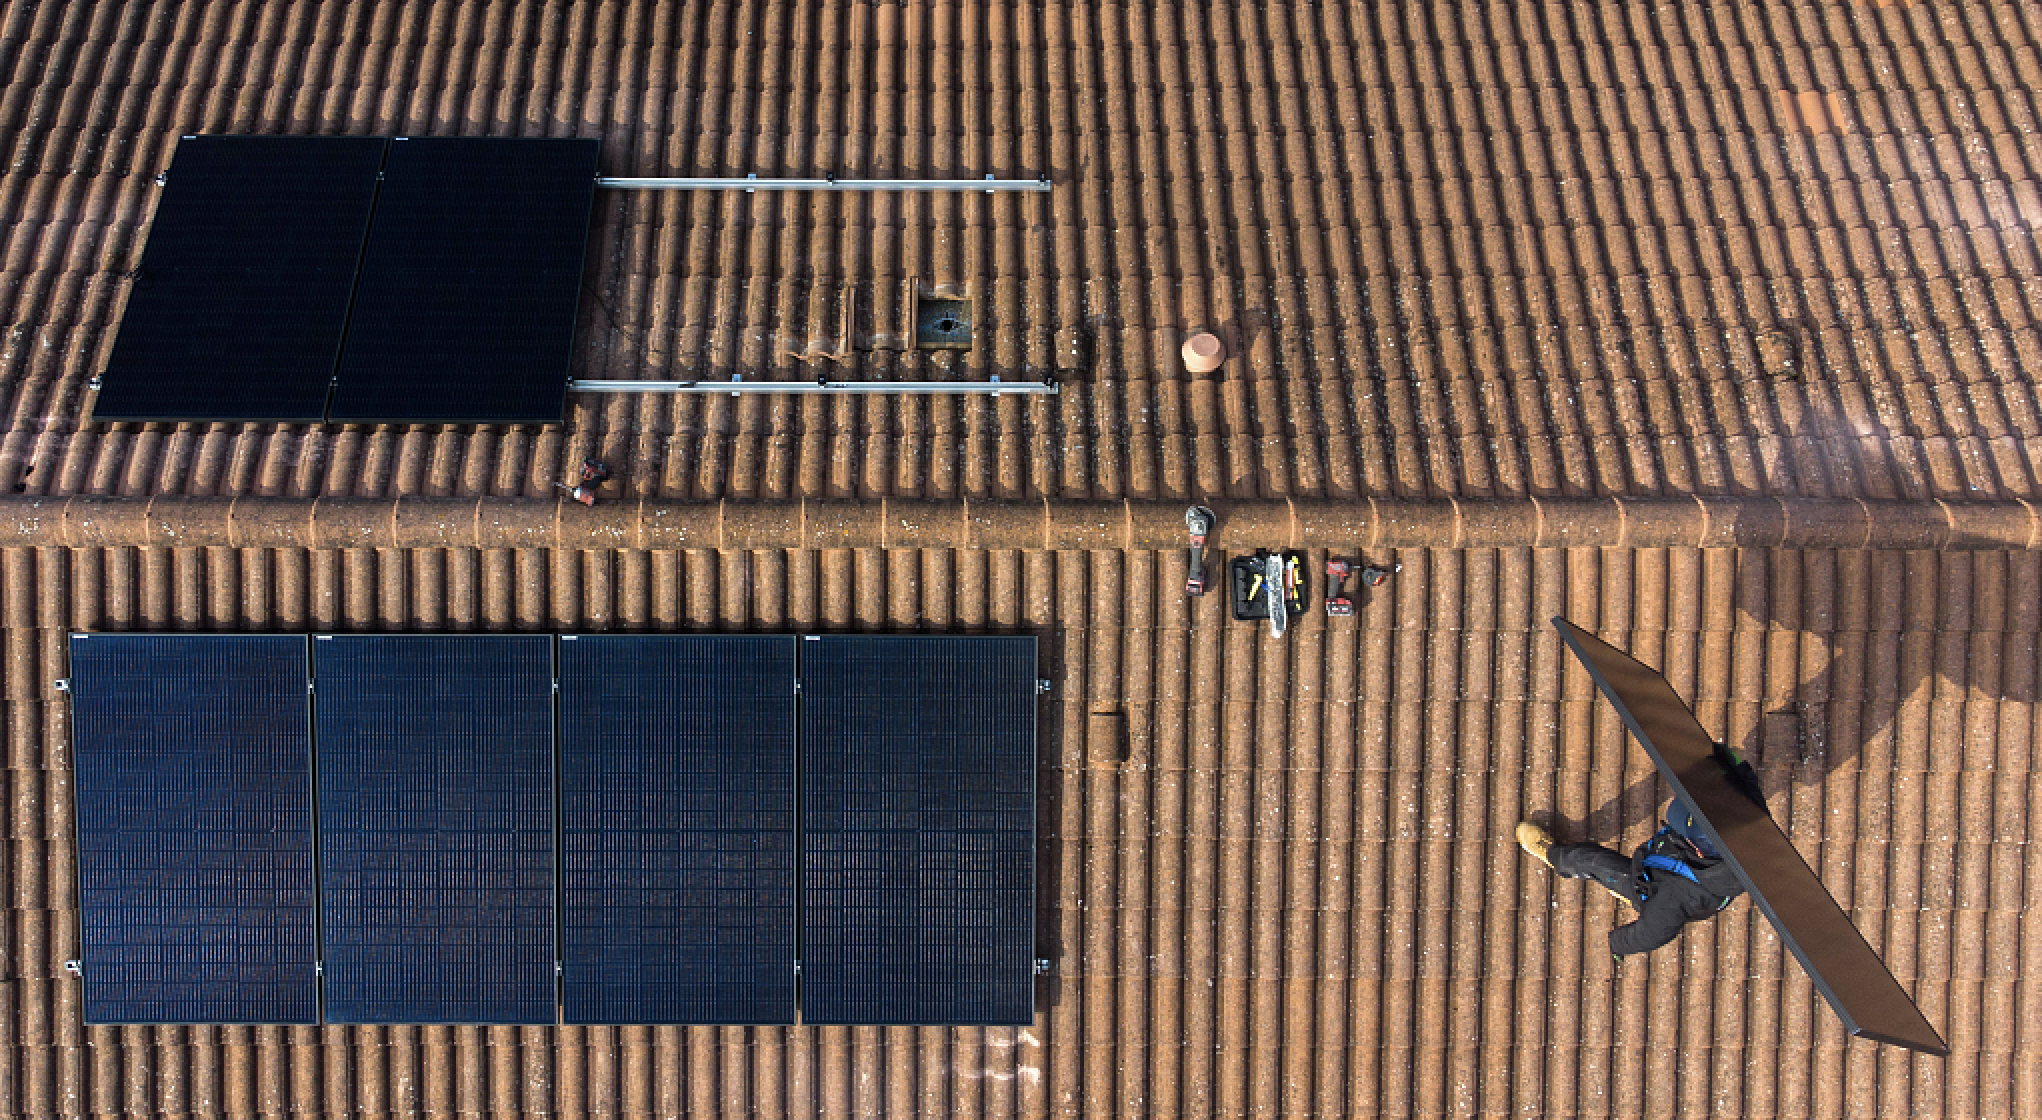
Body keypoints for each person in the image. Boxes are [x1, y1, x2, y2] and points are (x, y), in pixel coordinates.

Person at [1517, 745, 1766, 958]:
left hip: (1649, 885)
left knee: (1593, 862)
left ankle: (1552, 855)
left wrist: (1617, 944)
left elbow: (1649, 936)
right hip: (1676, 862)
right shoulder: (1745, 821)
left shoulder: (1673, 900)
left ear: (1698, 850)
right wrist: (1731, 767)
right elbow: (1748, 789)